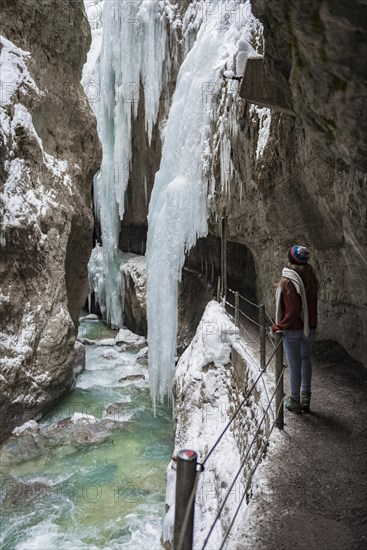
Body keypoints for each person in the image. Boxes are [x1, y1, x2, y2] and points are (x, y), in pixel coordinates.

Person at [271, 245, 319, 413]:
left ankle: (294, 400)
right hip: (309, 328)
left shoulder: (288, 281)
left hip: (293, 330)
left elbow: (293, 310)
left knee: (294, 365)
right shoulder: (312, 279)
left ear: (290, 261)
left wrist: (279, 325)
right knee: (305, 359)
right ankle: (306, 397)